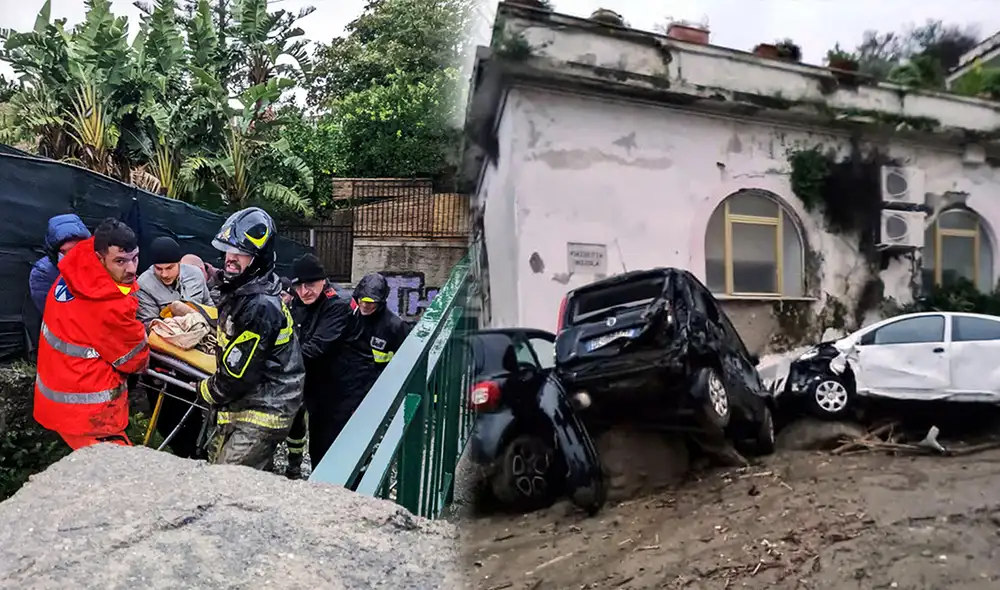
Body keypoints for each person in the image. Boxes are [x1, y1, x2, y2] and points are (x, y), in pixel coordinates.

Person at [195, 207, 305, 469]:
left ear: (259, 258)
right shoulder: (243, 292)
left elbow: (238, 374)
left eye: (242, 254)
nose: (231, 259)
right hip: (251, 401)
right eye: (228, 251)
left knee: (225, 479)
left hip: (265, 409)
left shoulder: (259, 304)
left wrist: (207, 389)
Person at [33, 218, 149, 450]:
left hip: (59, 396)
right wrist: (143, 334)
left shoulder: (77, 265)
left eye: (134, 257)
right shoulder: (108, 306)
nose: (132, 268)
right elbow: (135, 361)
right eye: (120, 261)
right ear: (100, 258)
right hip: (89, 413)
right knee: (119, 475)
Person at [310, 272, 411, 466]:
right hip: (339, 388)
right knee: (325, 436)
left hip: (369, 392)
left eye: (371, 302)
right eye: (363, 301)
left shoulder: (394, 327)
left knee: (356, 442)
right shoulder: (347, 315)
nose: (366, 306)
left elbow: (407, 361)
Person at [285, 254, 351, 479]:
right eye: (298, 286)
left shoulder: (337, 305)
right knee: (314, 444)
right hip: (311, 383)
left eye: (310, 285)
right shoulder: (298, 302)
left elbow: (316, 347)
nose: (304, 291)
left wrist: (277, 362)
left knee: (328, 446)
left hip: (335, 389)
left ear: (323, 280)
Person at [136, 237, 214, 325]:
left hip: (204, 329)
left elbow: (208, 303)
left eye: (169, 268)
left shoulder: (195, 274)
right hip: (168, 334)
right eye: (158, 268)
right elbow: (149, 324)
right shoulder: (144, 285)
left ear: (179, 263)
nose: (164, 274)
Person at [29, 213, 91, 314]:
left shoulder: (100, 263)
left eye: (76, 249)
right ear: (55, 252)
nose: (71, 256)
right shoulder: (43, 272)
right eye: (64, 251)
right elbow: (51, 311)